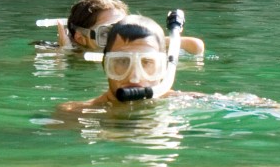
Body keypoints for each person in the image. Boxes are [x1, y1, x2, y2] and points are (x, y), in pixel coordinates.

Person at [54, 14, 194, 116]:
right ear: (105, 66)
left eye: (146, 62)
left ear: (163, 68)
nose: (134, 77)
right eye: (122, 61)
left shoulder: (192, 103)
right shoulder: (74, 114)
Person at [39, 0, 205, 55]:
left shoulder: (135, 50)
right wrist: (65, 53)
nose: (120, 40)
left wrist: (146, 38)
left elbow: (196, 47)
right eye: (107, 34)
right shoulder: (66, 53)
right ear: (80, 38)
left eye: (123, 29)